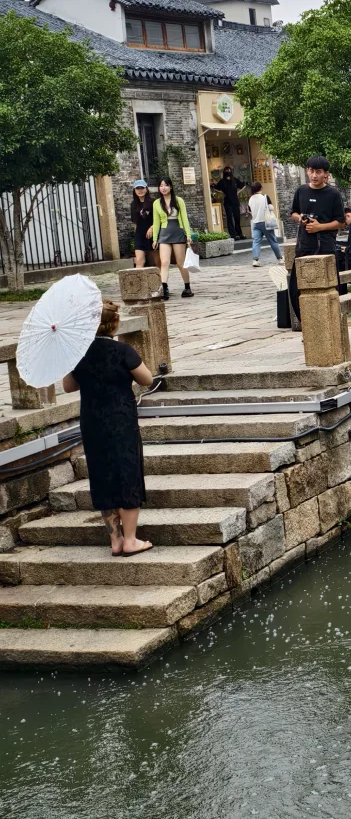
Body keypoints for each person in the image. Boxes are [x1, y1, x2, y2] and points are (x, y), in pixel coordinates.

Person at [62, 299, 154, 556]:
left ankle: (115, 541)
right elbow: (147, 379)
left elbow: (68, 387)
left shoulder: (78, 354)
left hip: (92, 423)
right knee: (127, 473)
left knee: (102, 475)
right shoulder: (123, 351)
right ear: (114, 325)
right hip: (121, 421)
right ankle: (131, 540)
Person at [288, 156, 346, 322]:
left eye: (318, 172)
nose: (314, 175)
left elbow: (340, 222)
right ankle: (308, 325)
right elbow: (293, 213)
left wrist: (320, 227)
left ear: (325, 174)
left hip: (325, 246)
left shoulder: (333, 194)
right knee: (296, 289)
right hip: (303, 246)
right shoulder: (301, 191)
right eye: (311, 171)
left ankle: (331, 323)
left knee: (330, 288)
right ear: (307, 171)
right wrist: (301, 219)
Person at [152, 177, 194, 298]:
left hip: (178, 232)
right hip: (164, 234)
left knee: (180, 263)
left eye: (166, 185)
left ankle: (187, 287)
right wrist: (155, 238)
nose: (163, 188)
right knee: (164, 262)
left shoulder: (179, 200)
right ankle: (164, 289)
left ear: (171, 187)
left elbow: (185, 218)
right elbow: (156, 222)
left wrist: (188, 235)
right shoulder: (156, 203)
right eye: (161, 186)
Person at [248, 181, 283, 265]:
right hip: (266, 222)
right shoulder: (265, 197)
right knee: (272, 241)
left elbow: (250, 210)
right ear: (261, 188)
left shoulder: (250, 199)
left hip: (256, 223)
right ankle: (280, 259)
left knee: (256, 241)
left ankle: (255, 260)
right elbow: (271, 208)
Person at [129, 180, 155, 268]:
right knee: (139, 261)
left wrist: (152, 228)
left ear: (146, 189)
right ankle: (138, 281)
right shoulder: (133, 204)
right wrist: (136, 235)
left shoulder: (153, 202)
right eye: (137, 188)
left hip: (152, 234)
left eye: (142, 188)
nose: (140, 190)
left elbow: (158, 219)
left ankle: (160, 281)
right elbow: (135, 222)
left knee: (157, 261)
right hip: (139, 235)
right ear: (134, 190)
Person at [218, 166, 243, 240]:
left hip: (235, 201)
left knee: (237, 218)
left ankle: (239, 233)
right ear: (224, 172)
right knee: (230, 219)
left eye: (229, 170)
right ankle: (233, 234)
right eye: (226, 171)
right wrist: (223, 192)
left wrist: (237, 192)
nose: (228, 172)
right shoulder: (222, 181)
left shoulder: (234, 180)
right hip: (227, 202)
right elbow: (216, 188)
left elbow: (242, 186)